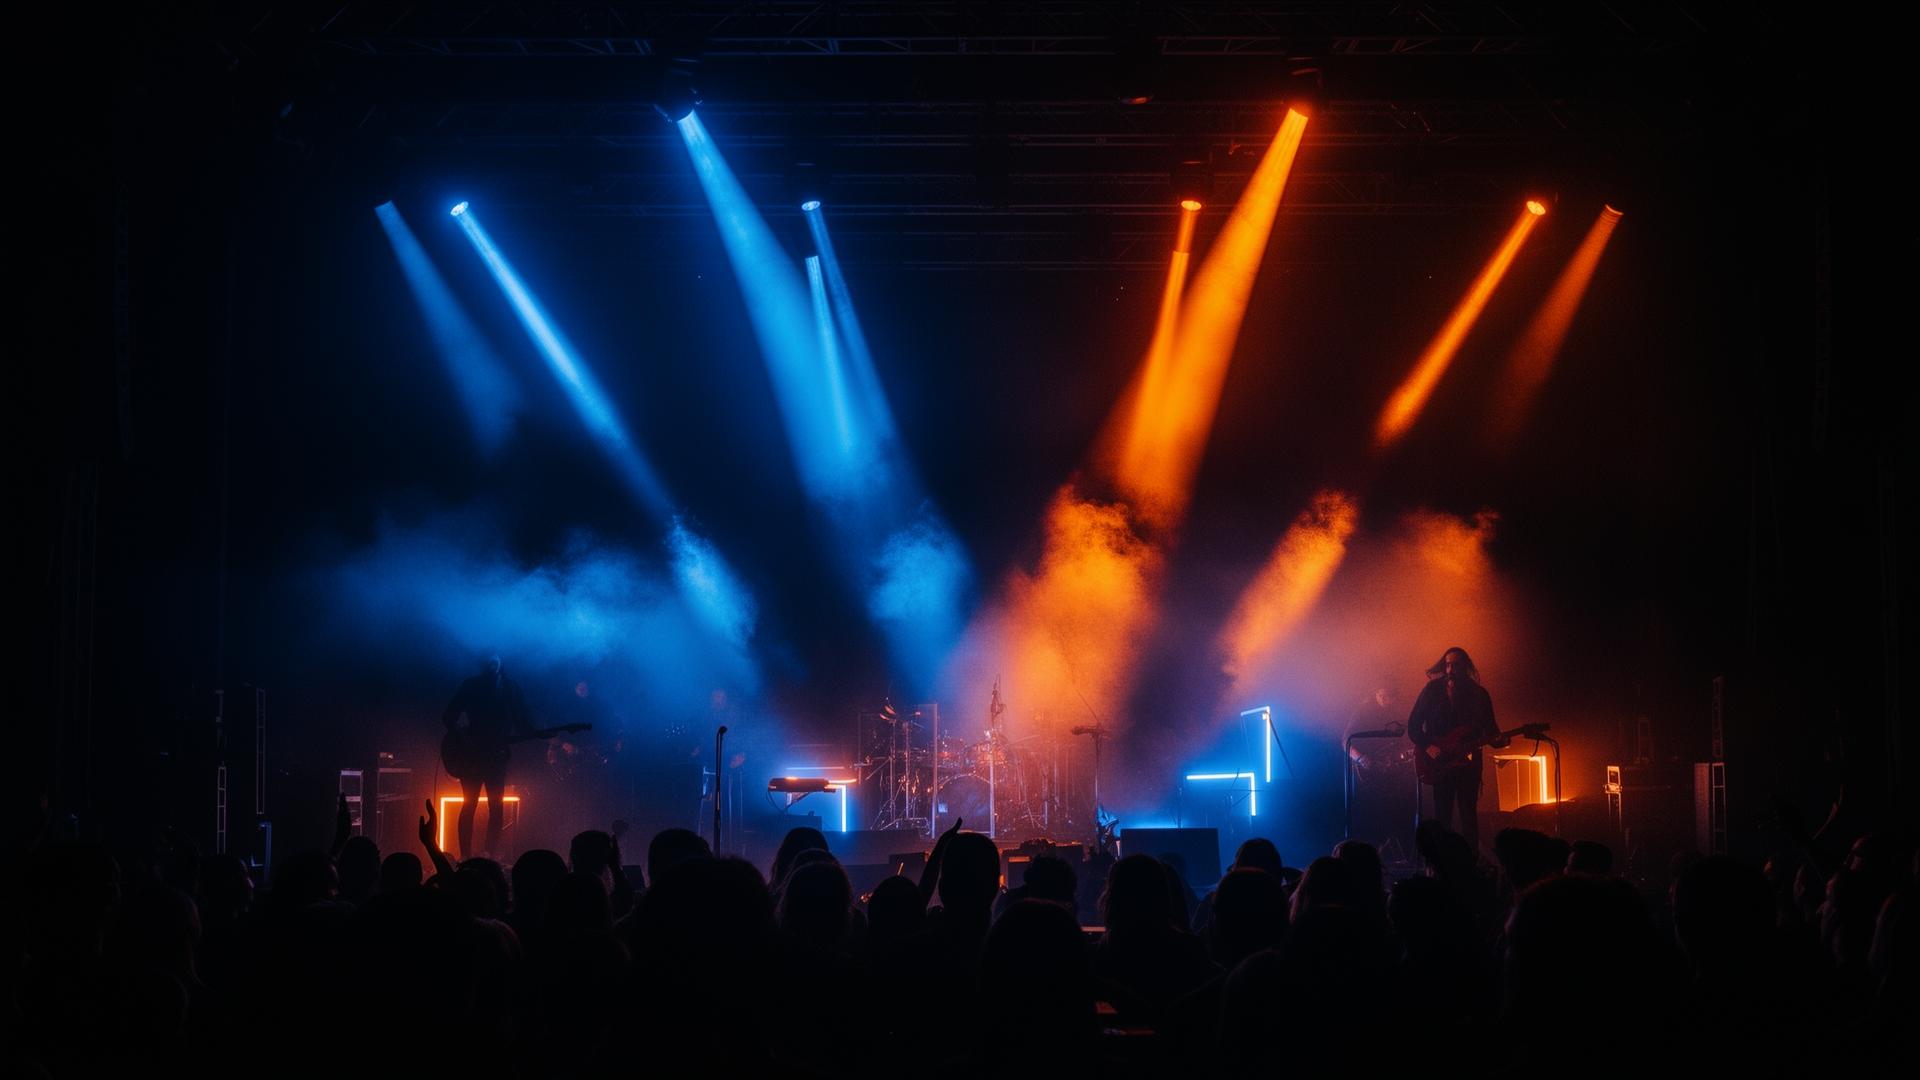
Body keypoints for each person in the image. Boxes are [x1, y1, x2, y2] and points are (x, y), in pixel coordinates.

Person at [1406, 647, 1504, 848]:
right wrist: (1429, 748)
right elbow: (1413, 726)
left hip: (1469, 765)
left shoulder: (1479, 694)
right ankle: (1442, 863)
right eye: (1448, 664)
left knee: (1469, 816)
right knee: (1443, 816)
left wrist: (1500, 741)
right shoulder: (1432, 690)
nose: (1450, 670)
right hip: (1440, 763)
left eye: (1455, 665)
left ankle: (1471, 863)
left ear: (1466, 666)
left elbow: (1491, 730)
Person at [441, 653, 533, 860]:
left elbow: (522, 719)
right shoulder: (473, 685)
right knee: (474, 805)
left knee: (493, 807)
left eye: (495, 655)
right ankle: (468, 857)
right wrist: (464, 739)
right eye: (489, 656)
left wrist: (536, 731)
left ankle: (487, 856)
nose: (492, 660)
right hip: (474, 757)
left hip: (493, 756)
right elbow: (448, 717)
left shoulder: (509, 687)